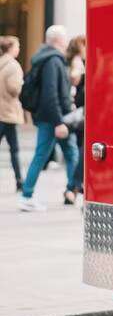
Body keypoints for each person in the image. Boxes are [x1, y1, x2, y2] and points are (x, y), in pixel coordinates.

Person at [18, 25, 79, 212]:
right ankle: (27, 195)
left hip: (55, 117)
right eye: (65, 38)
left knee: (70, 152)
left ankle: (73, 190)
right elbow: (50, 94)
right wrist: (59, 121)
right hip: (55, 118)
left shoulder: (44, 58)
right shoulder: (53, 60)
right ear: (59, 40)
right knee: (44, 154)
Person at [0, 36, 24, 191]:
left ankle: (19, 180)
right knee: (14, 149)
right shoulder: (13, 66)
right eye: (17, 46)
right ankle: (19, 180)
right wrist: (21, 84)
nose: (19, 49)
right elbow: (14, 89)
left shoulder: (1, 62)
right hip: (8, 112)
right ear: (11, 48)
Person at [65, 35, 86, 199]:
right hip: (80, 110)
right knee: (80, 149)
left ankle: (74, 187)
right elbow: (74, 79)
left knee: (78, 149)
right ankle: (73, 187)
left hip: (78, 110)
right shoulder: (78, 61)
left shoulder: (71, 59)